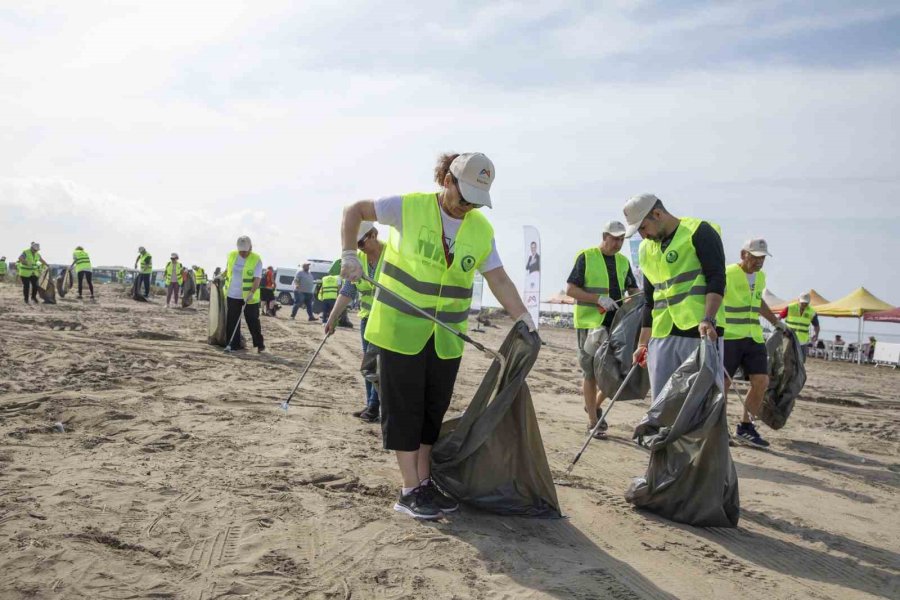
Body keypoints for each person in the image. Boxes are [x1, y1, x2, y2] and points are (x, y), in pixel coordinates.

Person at [339, 151, 535, 520]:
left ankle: (424, 481)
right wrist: (349, 253)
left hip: (446, 337)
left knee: (432, 412)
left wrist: (523, 316)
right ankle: (409, 489)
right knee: (405, 411)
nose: (468, 208)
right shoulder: (408, 208)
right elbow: (353, 210)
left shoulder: (480, 230)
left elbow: (498, 278)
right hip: (400, 330)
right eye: (464, 198)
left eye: (477, 202)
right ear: (447, 181)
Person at [623, 194, 727, 403]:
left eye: (643, 228)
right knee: (662, 404)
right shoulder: (646, 249)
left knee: (701, 403)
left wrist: (709, 318)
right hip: (662, 334)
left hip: (700, 332)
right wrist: (642, 344)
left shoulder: (699, 232)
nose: (643, 236)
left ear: (658, 214)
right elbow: (650, 300)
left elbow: (716, 277)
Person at [566, 220, 639, 437]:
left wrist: (637, 298)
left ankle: (594, 405)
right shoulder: (586, 257)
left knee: (615, 372)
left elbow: (632, 289)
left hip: (616, 324)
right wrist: (598, 299)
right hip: (590, 325)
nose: (617, 243)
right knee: (591, 373)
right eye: (614, 238)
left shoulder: (624, 262)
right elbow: (571, 289)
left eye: (621, 239)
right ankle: (593, 422)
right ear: (604, 236)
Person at [722, 238, 787, 447]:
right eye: (756, 257)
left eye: (763, 258)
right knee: (722, 384)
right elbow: (713, 296)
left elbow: (758, 302)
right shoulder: (727, 273)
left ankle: (746, 427)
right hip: (730, 336)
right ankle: (718, 428)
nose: (759, 262)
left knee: (761, 382)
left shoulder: (760, 278)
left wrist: (776, 322)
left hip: (753, 337)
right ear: (744, 254)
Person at [325, 221, 385, 423]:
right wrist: (332, 318)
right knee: (367, 365)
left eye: (361, 243)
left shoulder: (391, 256)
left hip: (387, 320)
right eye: (356, 245)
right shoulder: (357, 259)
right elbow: (348, 291)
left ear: (373, 234)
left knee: (378, 366)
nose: (359, 248)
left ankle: (374, 407)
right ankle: (371, 405)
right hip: (367, 319)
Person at [223, 236, 265, 352]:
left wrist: (252, 292)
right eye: (241, 251)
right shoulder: (232, 255)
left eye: (245, 251)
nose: (243, 253)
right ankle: (233, 344)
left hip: (249, 296)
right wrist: (220, 276)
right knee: (232, 320)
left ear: (250, 248)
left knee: (252, 320)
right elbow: (228, 270)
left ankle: (259, 344)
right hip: (233, 293)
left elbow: (257, 278)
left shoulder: (256, 259)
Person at [779, 293, 820, 359]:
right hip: (788, 337)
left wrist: (816, 334)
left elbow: (816, 326)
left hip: (802, 340)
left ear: (809, 302)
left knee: (801, 360)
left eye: (806, 303)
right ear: (798, 300)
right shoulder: (790, 307)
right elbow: (779, 318)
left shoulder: (812, 312)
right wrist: (780, 329)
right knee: (785, 358)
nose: (804, 304)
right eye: (802, 302)